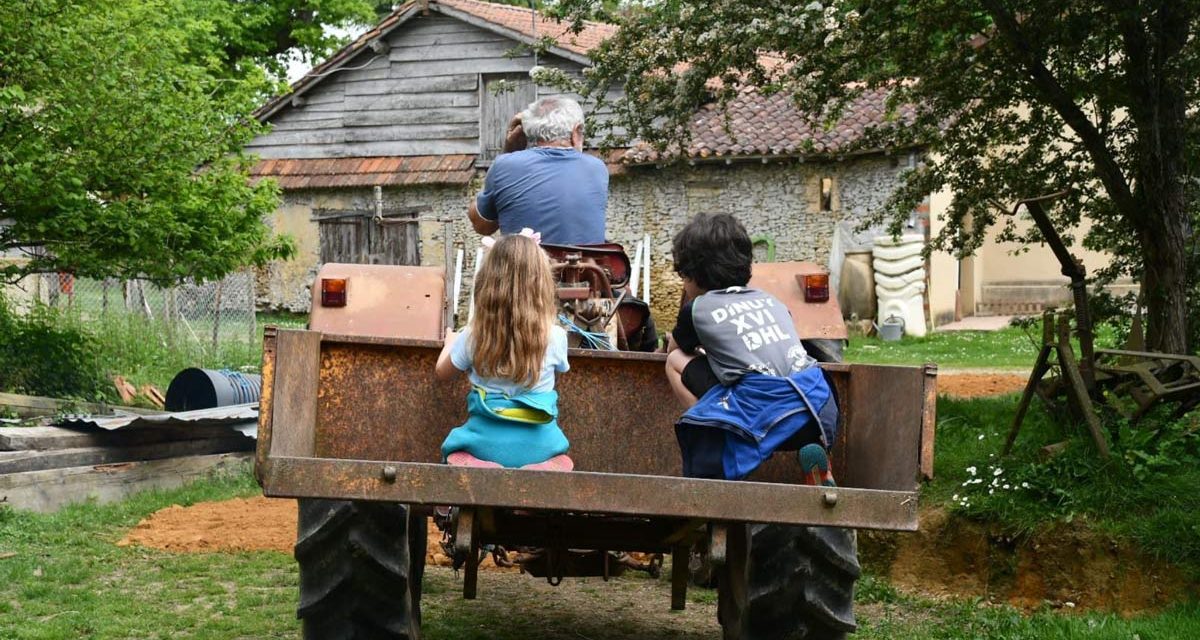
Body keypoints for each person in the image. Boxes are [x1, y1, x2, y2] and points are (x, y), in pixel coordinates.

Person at [664, 213, 838, 485]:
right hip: (816, 407)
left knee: (674, 360)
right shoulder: (773, 301)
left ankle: (716, 433)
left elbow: (674, 349)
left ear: (694, 275)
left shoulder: (697, 309)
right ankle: (817, 457)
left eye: (683, 276)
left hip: (762, 413)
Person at [435, 233, 573, 470]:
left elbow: (442, 373)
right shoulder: (556, 337)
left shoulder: (473, 336)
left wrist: (450, 342)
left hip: (482, 446)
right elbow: (560, 371)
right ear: (542, 285)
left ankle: (449, 505)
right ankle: (535, 478)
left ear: (487, 284)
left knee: (452, 450)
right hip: (542, 447)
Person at [468, 96, 608, 245]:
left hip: (525, 267)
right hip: (587, 266)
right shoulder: (597, 168)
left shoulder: (505, 165)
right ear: (576, 130)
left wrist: (509, 152)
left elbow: (483, 226)